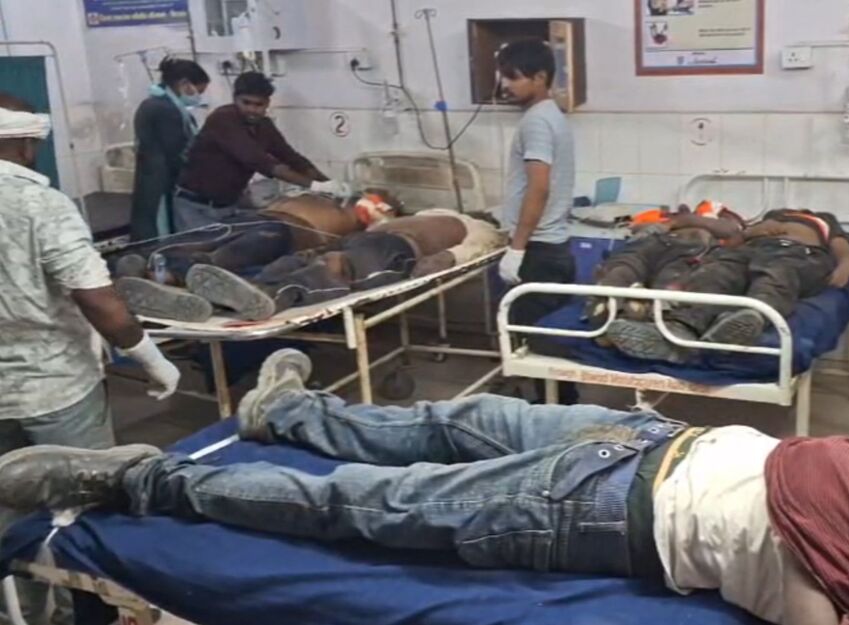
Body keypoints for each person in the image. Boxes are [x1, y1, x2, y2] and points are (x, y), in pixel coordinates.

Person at [2, 349, 849, 625]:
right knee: (447, 423)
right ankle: (287, 416)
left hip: (644, 502)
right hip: (671, 450)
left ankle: (142, 481)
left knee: (368, 503)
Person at [0, 96, 181, 624]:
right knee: (86, 507)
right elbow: (99, 301)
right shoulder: (41, 205)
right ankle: (92, 614)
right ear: (27, 143)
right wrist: (150, 358)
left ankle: (24, 612)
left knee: (10, 511)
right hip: (56, 388)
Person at [117, 208, 505, 321]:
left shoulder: (476, 225)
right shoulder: (433, 213)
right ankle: (211, 299)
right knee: (299, 260)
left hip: (396, 251)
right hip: (369, 241)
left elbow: (478, 247)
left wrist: (445, 259)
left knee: (333, 268)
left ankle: (270, 297)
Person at [605, 208, 849, 364]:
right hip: (751, 251)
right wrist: (752, 233)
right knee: (715, 273)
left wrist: (846, 265)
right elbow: (734, 241)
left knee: (776, 276)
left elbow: (842, 247)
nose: (790, 211)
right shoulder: (770, 216)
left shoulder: (823, 219)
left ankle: (749, 318)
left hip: (798, 254)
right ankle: (679, 332)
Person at [494, 39, 579, 404]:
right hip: (552, 248)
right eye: (504, 76)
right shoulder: (551, 115)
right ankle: (560, 406)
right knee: (551, 346)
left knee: (537, 349)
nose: (506, 85)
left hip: (539, 251)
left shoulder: (537, 122)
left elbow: (538, 188)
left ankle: (549, 412)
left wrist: (517, 248)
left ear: (540, 77)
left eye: (513, 77)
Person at [173, 71, 348, 231]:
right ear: (235, 99)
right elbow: (259, 161)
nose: (252, 109)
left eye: (259, 105)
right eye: (246, 103)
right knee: (199, 252)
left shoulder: (264, 126)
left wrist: (329, 184)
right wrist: (314, 186)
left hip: (228, 206)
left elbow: (291, 158)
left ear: (267, 104)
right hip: (196, 207)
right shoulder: (223, 119)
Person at [587, 202, 745, 328]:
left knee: (669, 282)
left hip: (686, 251)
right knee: (622, 269)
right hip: (651, 244)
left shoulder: (715, 221)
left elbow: (730, 231)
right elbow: (635, 229)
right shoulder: (656, 216)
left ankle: (642, 313)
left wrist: (681, 221)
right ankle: (609, 308)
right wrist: (668, 222)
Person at [129, 57, 211, 241]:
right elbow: (177, 153)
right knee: (161, 231)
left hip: (153, 178)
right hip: (162, 182)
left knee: (149, 225)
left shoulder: (156, 104)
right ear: (184, 84)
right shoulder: (164, 109)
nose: (198, 97)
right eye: (198, 91)